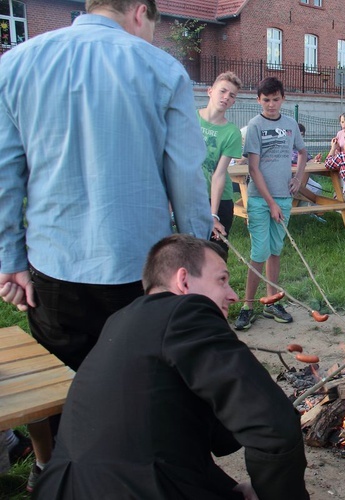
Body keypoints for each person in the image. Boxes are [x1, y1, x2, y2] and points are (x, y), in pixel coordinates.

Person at [0, 0, 211, 491]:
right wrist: (198, 258)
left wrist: (9, 258)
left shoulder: (15, 63)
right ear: (141, 12)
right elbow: (184, 175)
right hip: (140, 270)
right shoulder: (161, 69)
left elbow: (6, 174)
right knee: (143, 388)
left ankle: (54, 476)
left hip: (53, 267)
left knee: (65, 386)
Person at [34, 234, 309, 499]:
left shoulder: (121, 322)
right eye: (222, 280)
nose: (233, 295)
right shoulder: (186, 312)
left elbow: (219, 435)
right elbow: (274, 428)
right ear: (184, 281)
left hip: (63, 486)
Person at [234, 77, 307, 330]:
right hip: (259, 199)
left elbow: (303, 152)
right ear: (258, 100)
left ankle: (272, 302)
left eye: (276, 99)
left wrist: (298, 178)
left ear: (283, 99)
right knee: (259, 252)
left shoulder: (290, 125)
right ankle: (248, 305)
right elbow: (253, 169)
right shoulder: (255, 125)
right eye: (266, 100)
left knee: (275, 251)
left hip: (283, 198)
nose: (271, 104)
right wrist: (270, 202)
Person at [198, 71, 244, 250]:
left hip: (219, 199)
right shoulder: (190, 118)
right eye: (222, 91)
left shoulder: (232, 132)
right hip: (191, 197)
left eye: (232, 95)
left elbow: (219, 174)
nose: (226, 97)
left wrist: (213, 214)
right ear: (210, 91)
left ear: (233, 102)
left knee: (215, 254)